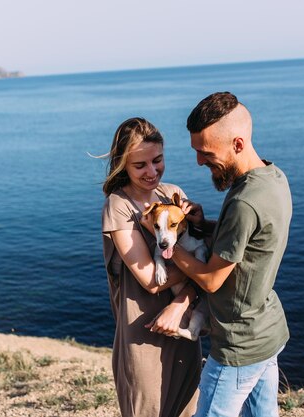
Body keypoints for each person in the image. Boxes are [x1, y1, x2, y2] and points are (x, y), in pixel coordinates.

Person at [170, 92, 292, 417]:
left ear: (237, 144)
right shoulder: (272, 178)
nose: (199, 161)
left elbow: (210, 280)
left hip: (240, 344)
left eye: (205, 152)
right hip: (267, 330)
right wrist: (205, 224)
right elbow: (250, 237)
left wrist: (169, 248)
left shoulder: (243, 202)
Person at [101, 117, 202, 417]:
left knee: (189, 410)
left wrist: (199, 223)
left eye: (157, 160)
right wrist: (201, 264)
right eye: (140, 165)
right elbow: (151, 280)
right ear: (123, 165)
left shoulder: (172, 193)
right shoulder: (118, 206)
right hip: (142, 330)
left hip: (181, 322)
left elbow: (202, 252)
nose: (152, 171)